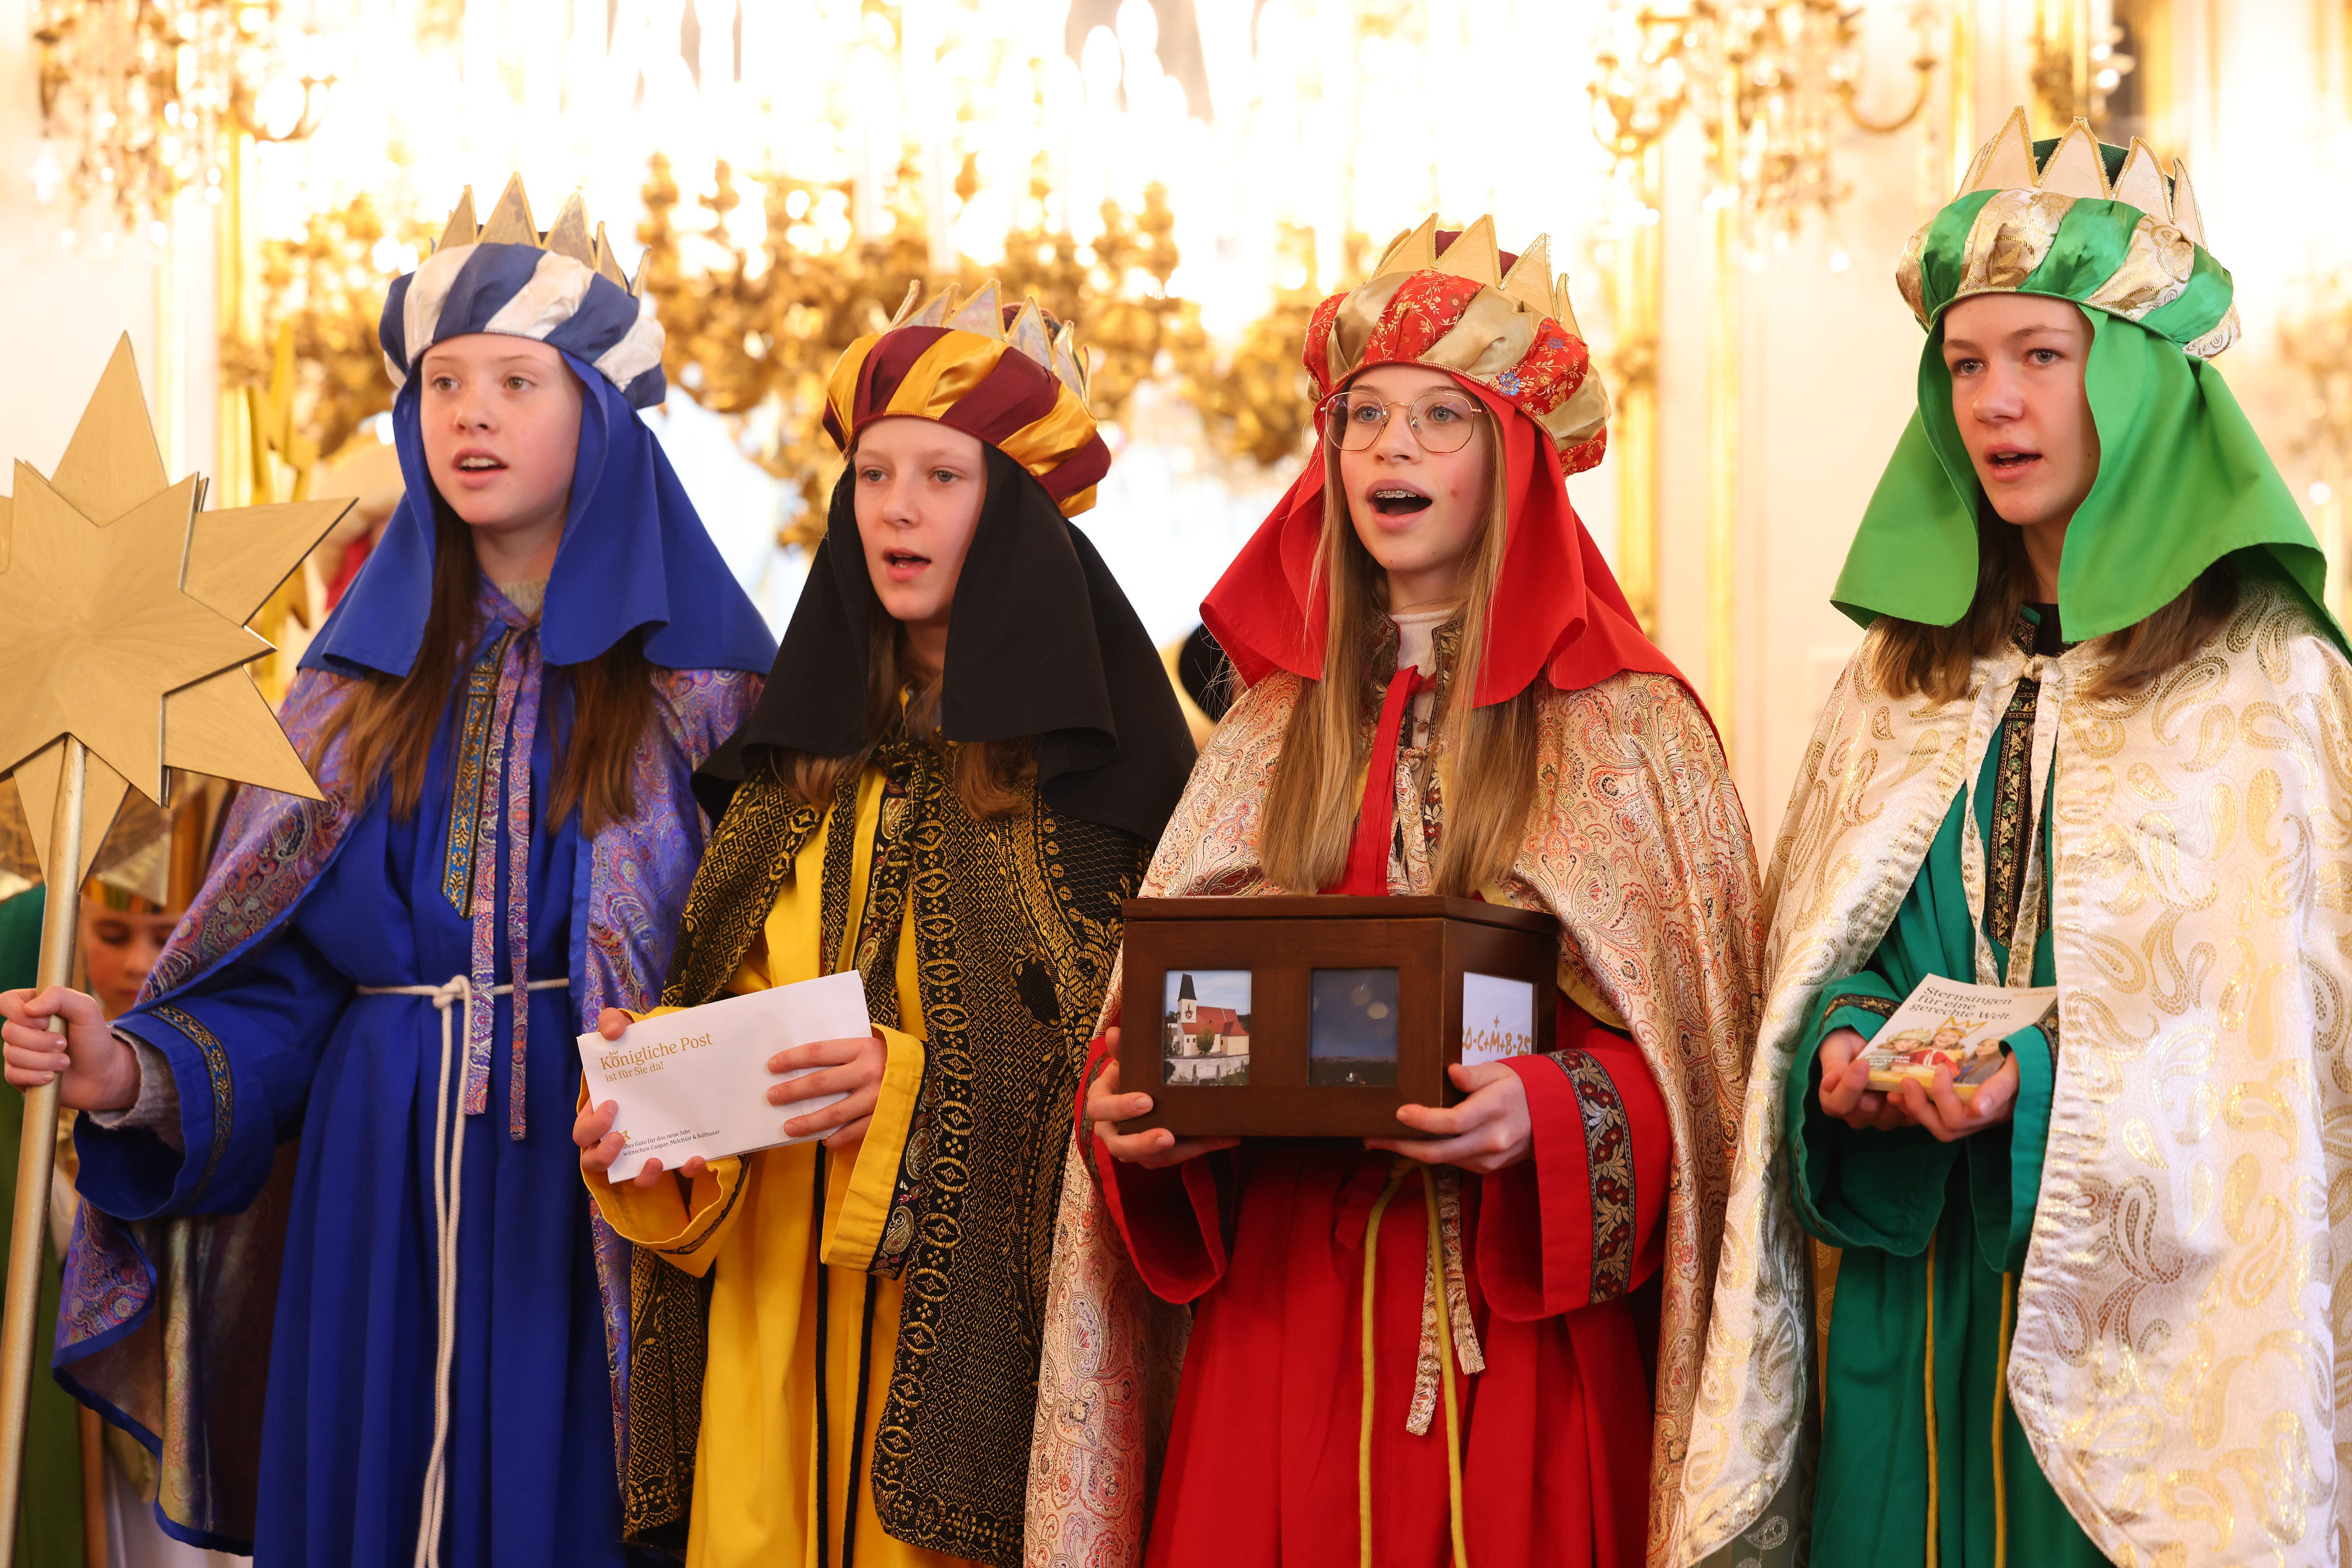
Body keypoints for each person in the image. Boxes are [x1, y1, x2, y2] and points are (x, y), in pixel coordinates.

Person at [12, 176, 772, 1566]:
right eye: (440, 382)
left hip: (597, 1187)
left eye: (514, 380)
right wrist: (131, 1069)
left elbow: (769, 976)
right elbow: (282, 985)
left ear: (601, 416)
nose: (469, 411)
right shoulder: (350, 695)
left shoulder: (707, 690)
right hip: (370, 1178)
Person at [1031, 217, 1763, 1568]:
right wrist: (1135, 1116)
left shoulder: (1631, 731)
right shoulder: (1264, 728)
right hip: (1280, 1332)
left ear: (1514, 455)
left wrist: (1548, 1111)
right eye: (1362, 415)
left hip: (1512, 1338)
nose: (1388, 448)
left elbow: (1706, 1089)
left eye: (1439, 416)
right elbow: (1161, 1016)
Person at [1677, 111, 2351, 1568]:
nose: (1995, 402)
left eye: (2041, 356)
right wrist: (1845, 1047)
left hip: (2135, 1363)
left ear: (2143, 383)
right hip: (1912, 1317)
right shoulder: (1894, 680)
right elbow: (1834, 959)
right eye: (1967, 363)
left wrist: (2033, 1081)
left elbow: (2268, 1076)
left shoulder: (2265, 686)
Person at [572, 282, 1195, 1566]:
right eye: (870, 475)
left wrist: (906, 1088)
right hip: (769, 1330)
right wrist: (655, 1101)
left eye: (940, 477)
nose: (894, 508)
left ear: (1014, 515)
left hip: (961, 1356)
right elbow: (724, 1011)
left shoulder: (1099, 788)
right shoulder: (791, 773)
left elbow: (1128, 1069)